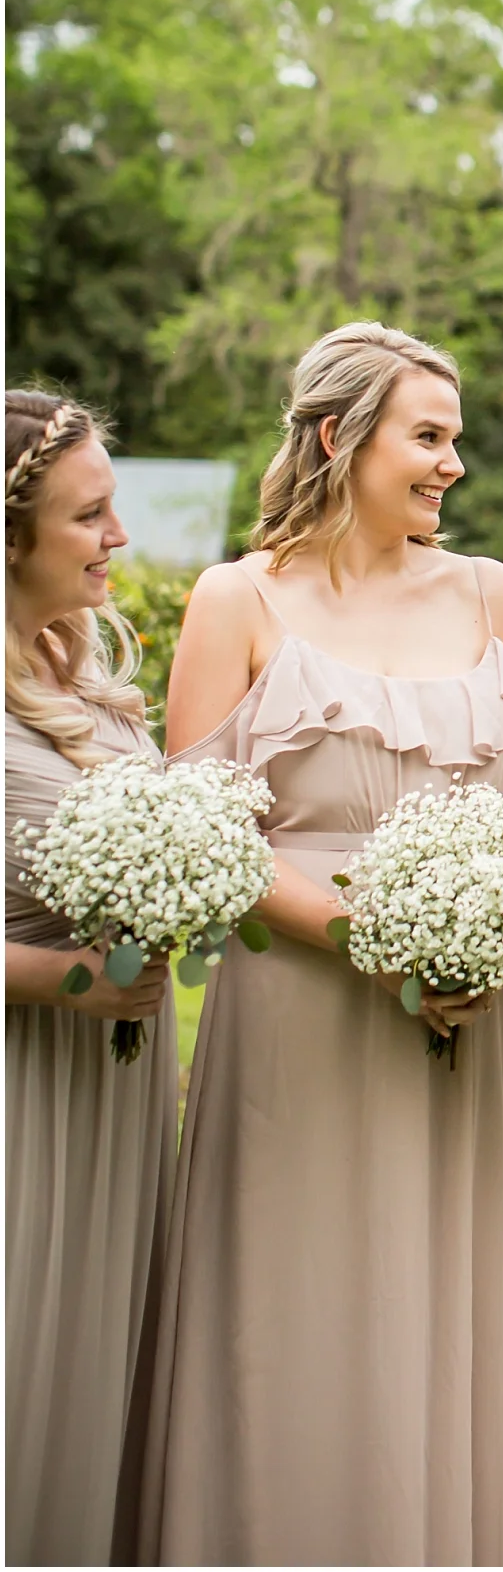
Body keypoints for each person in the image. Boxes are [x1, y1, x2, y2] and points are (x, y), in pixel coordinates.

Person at [138, 322, 503, 1568]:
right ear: (339, 437)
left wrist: (495, 927)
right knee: (297, 1310)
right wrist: (376, 941)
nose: (453, 465)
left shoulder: (491, 592)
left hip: (464, 1024)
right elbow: (200, 829)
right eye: (427, 436)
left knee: (436, 1312)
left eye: (454, 438)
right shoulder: (239, 598)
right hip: (303, 1017)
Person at [5, 390, 177, 1568]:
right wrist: (66, 980)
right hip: (25, 1093)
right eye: (90, 514)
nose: (119, 537)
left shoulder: (87, 667)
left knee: (97, 1364)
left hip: (116, 1092)